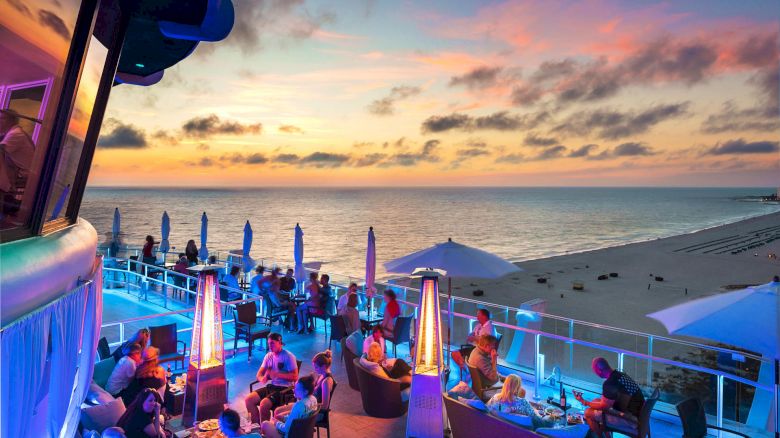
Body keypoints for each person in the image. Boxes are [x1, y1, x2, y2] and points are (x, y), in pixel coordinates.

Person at [575, 357, 644, 437]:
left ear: (599, 371)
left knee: (588, 413)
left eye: (595, 371)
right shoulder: (620, 375)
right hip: (638, 413)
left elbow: (604, 407)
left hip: (631, 420)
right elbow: (607, 403)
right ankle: (608, 436)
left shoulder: (610, 383)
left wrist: (584, 402)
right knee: (596, 400)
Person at [244, 333, 299, 424]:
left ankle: (265, 431)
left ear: (279, 342)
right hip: (272, 387)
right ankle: (256, 426)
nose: (270, 346)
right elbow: (259, 374)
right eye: (269, 343)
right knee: (248, 400)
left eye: (272, 343)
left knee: (264, 404)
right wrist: (263, 378)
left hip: (284, 390)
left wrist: (277, 374)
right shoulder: (268, 356)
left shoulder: (288, 356)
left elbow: (295, 376)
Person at [275, 350, 336, 422]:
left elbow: (325, 406)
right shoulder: (321, 375)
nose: (315, 369)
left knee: (280, 416)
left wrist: (306, 406)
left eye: (316, 367)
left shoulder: (326, 382)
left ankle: (287, 431)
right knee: (277, 411)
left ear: (324, 366)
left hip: (315, 412)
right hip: (308, 405)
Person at [486, 374, 555, 428]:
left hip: (501, 426)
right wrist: (540, 414)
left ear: (505, 385)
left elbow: (489, 407)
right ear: (518, 388)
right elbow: (536, 419)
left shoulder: (495, 399)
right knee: (551, 419)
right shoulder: (522, 403)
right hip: (530, 429)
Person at [0, 109, 35, 195]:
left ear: (12, 121)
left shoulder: (15, 134)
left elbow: (1, 150)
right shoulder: (12, 132)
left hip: (23, 175)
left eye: (2, 118)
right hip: (17, 172)